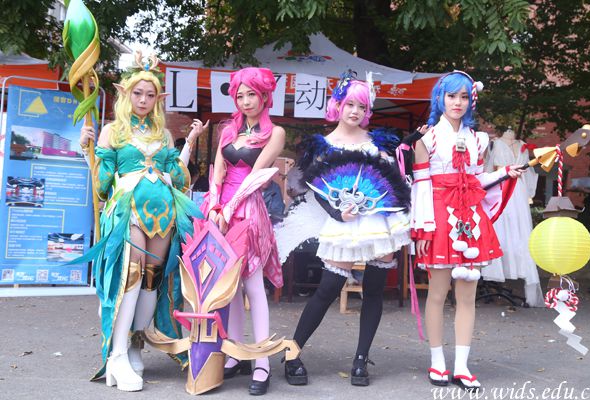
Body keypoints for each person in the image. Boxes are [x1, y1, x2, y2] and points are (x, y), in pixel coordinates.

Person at [76, 53, 207, 392]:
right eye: (138, 93)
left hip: (163, 211)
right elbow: (102, 185)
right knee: (130, 275)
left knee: (152, 277)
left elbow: (178, 178)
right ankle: (117, 354)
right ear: (126, 93)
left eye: (150, 95)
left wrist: (189, 143)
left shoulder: (164, 135)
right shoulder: (112, 131)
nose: (144, 100)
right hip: (128, 209)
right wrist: (87, 150)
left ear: (157, 99)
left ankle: (136, 343)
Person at [283, 72, 412, 387]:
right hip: (343, 222)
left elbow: (392, 182)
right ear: (338, 105)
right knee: (328, 288)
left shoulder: (377, 143)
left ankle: (360, 360)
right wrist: (337, 213)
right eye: (350, 104)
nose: (355, 111)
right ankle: (291, 353)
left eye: (362, 106)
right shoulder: (324, 145)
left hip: (378, 223)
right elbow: (314, 187)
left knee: (374, 290)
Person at [411, 71, 522, 391]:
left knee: (467, 297)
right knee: (436, 294)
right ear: (440, 98)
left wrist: (504, 173)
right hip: (438, 218)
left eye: (463, 97)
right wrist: (423, 230)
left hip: (469, 220)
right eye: (451, 96)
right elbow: (421, 186)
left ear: (470, 101)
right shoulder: (426, 139)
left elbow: (477, 180)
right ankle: (437, 362)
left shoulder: (479, 140)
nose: (457, 103)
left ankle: (462, 366)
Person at [201, 67, 285, 395]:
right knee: (229, 285)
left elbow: (256, 177)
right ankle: (235, 353)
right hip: (220, 209)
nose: (246, 101)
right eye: (240, 96)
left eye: (252, 94)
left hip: (248, 209)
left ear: (264, 96)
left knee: (252, 285)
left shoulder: (275, 133)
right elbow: (217, 172)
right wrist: (213, 206)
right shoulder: (228, 130)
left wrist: (229, 208)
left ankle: (262, 362)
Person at [481, 128, 544, 307]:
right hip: (501, 187)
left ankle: (519, 271)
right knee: (500, 228)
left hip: (519, 190)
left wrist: (529, 193)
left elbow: (530, 173)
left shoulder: (523, 145)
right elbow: (488, 169)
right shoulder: (494, 144)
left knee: (520, 231)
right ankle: (493, 272)